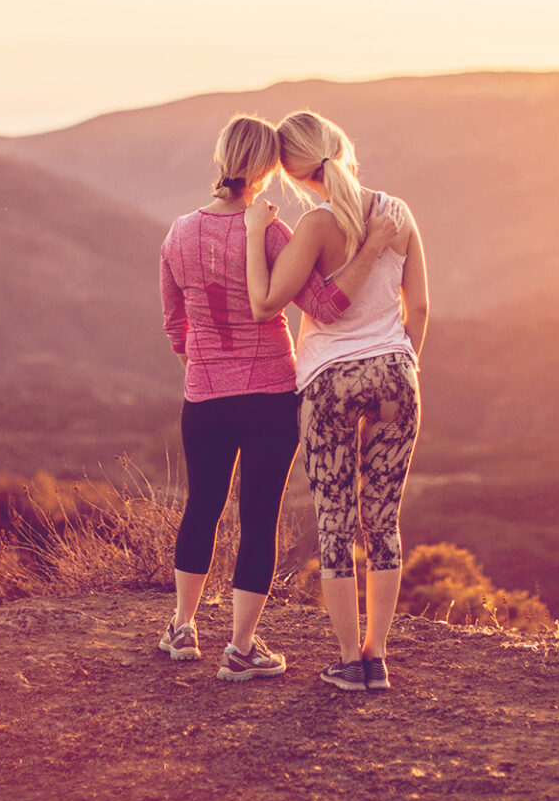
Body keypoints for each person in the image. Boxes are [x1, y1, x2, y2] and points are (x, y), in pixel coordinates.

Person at [158, 113, 398, 682]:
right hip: (270, 394)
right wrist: (371, 251)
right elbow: (326, 306)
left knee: (202, 505)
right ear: (269, 170)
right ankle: (241, 648)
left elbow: (174, 324)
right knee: (258, 516)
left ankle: (182, 628)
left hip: (206, 395)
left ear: (220, 159)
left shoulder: (178, 234)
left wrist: (205, 365)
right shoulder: (273, 234)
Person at [245, 109, 428, 691]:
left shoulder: (316, 228)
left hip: (329, 383)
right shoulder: (398, 214)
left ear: (295, 176)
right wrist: (403, 366)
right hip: (397, 374)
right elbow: (417, 308)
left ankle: (351, 661)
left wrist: (254, 235)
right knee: (383, 520)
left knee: (336, 521)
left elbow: (277, 301)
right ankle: (378, 655)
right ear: (342, 146)